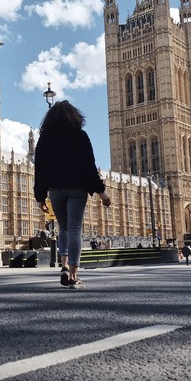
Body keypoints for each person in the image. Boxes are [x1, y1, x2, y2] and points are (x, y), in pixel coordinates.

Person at [34, 100, 111, 289]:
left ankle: (64, 265)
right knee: (75, 229)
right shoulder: (80, 136)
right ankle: (74, 276)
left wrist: (40, 196)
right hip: (77, 188)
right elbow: (89, 167)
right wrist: (102, 192)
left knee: (64, 228)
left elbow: (40, 169)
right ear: (74, 116)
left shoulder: (45, 138)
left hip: (56, 189)